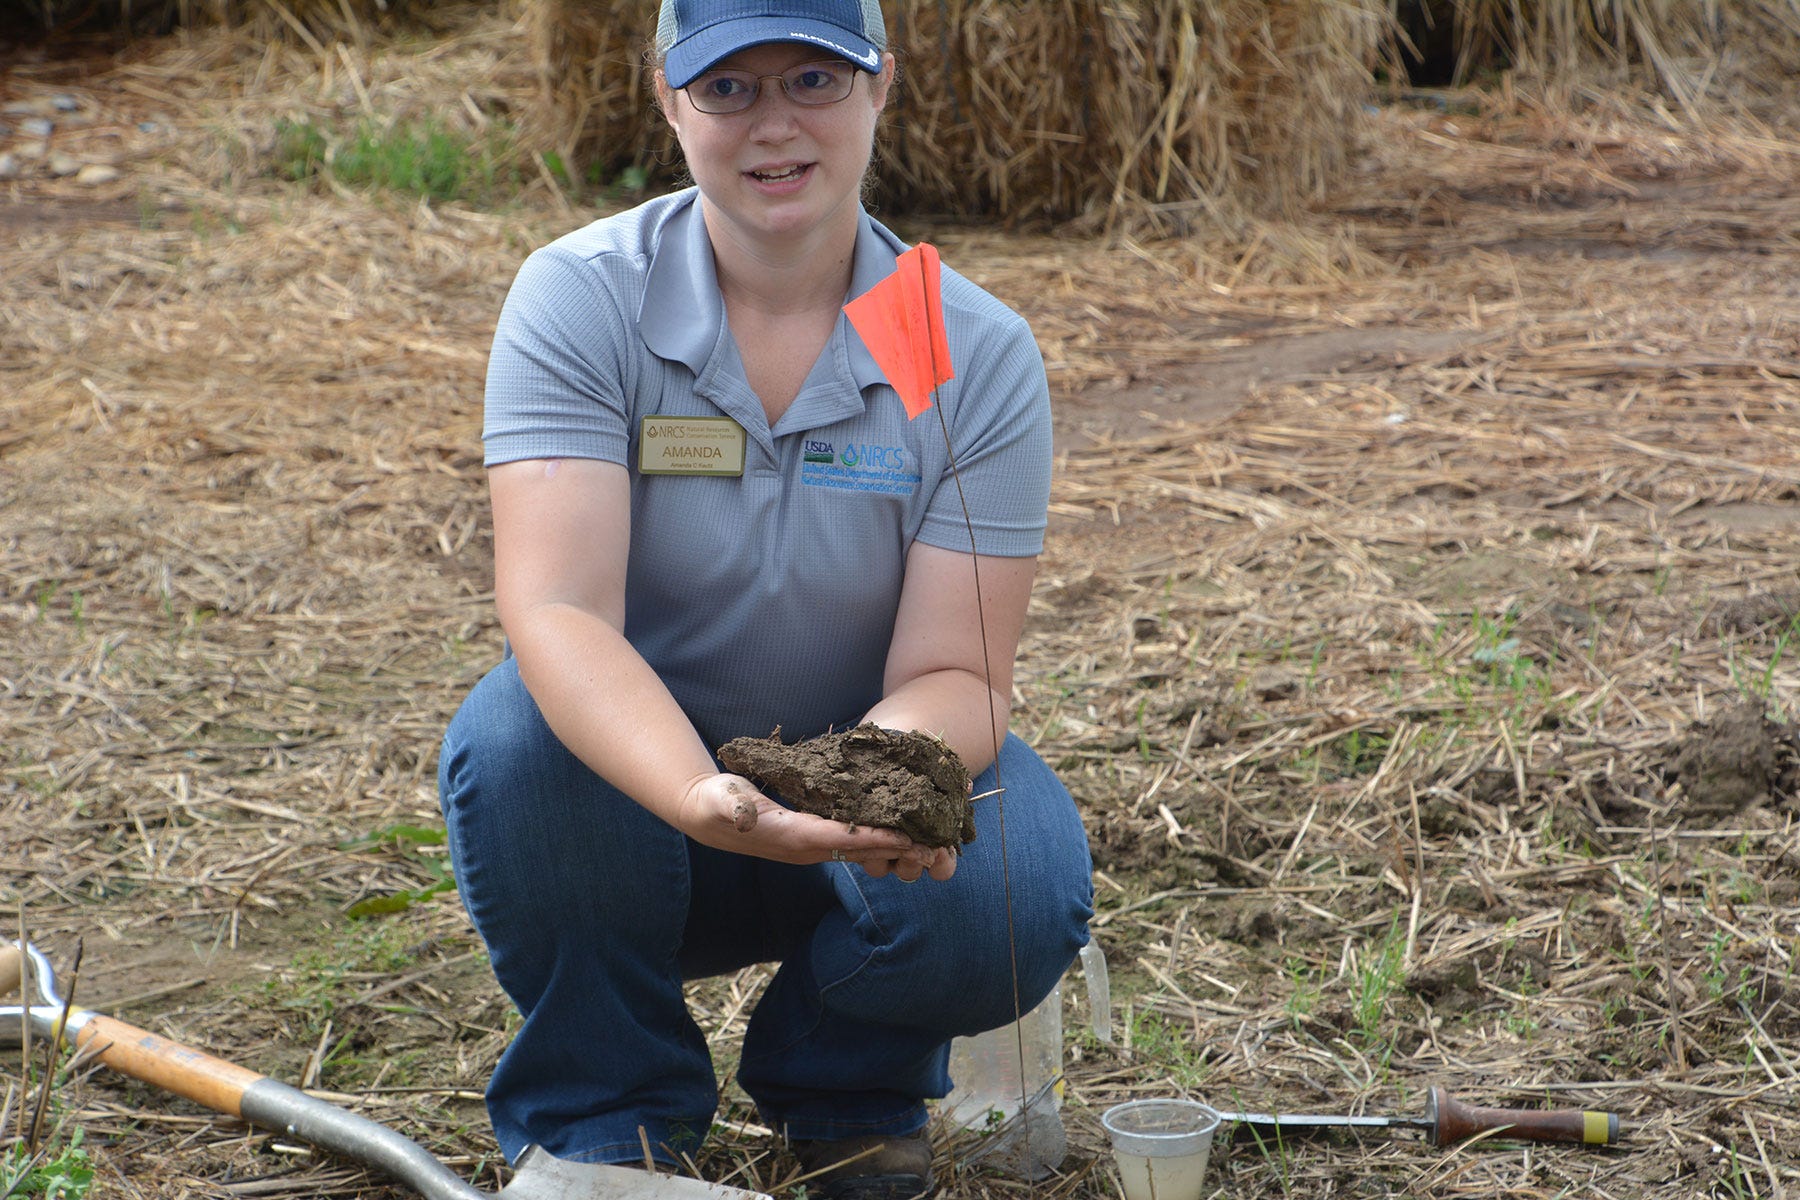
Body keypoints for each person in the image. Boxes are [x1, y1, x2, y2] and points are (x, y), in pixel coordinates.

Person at [436, 2, 1094, 1197]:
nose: (773, 124)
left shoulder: (968, 348)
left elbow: (962, 670)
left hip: (861, 768)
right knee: (514, 744)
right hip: (630, 791)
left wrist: (855, 794)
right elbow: (562, 613)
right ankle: (609, 1115)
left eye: (813, 80)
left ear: (882, 86)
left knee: (1011, 890)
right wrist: (698, 791)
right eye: (727, 89)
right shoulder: (586, 299)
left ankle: (849, 1093)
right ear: (666, 98)